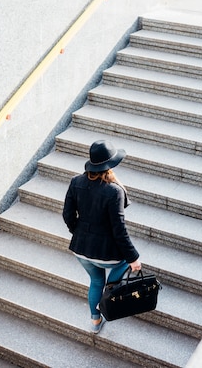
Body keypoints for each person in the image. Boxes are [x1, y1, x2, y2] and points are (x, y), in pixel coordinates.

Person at [62, 140, 142, 334]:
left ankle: (95, 322)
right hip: (106, 254)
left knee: (95, 282)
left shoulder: (76, 181)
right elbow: (119, 230)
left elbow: (67, 215)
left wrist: (79, 233)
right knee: (123, 265)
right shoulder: (114, 190)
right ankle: (110, 293)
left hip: (81, 251)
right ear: (111, 165)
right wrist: (134, 258)